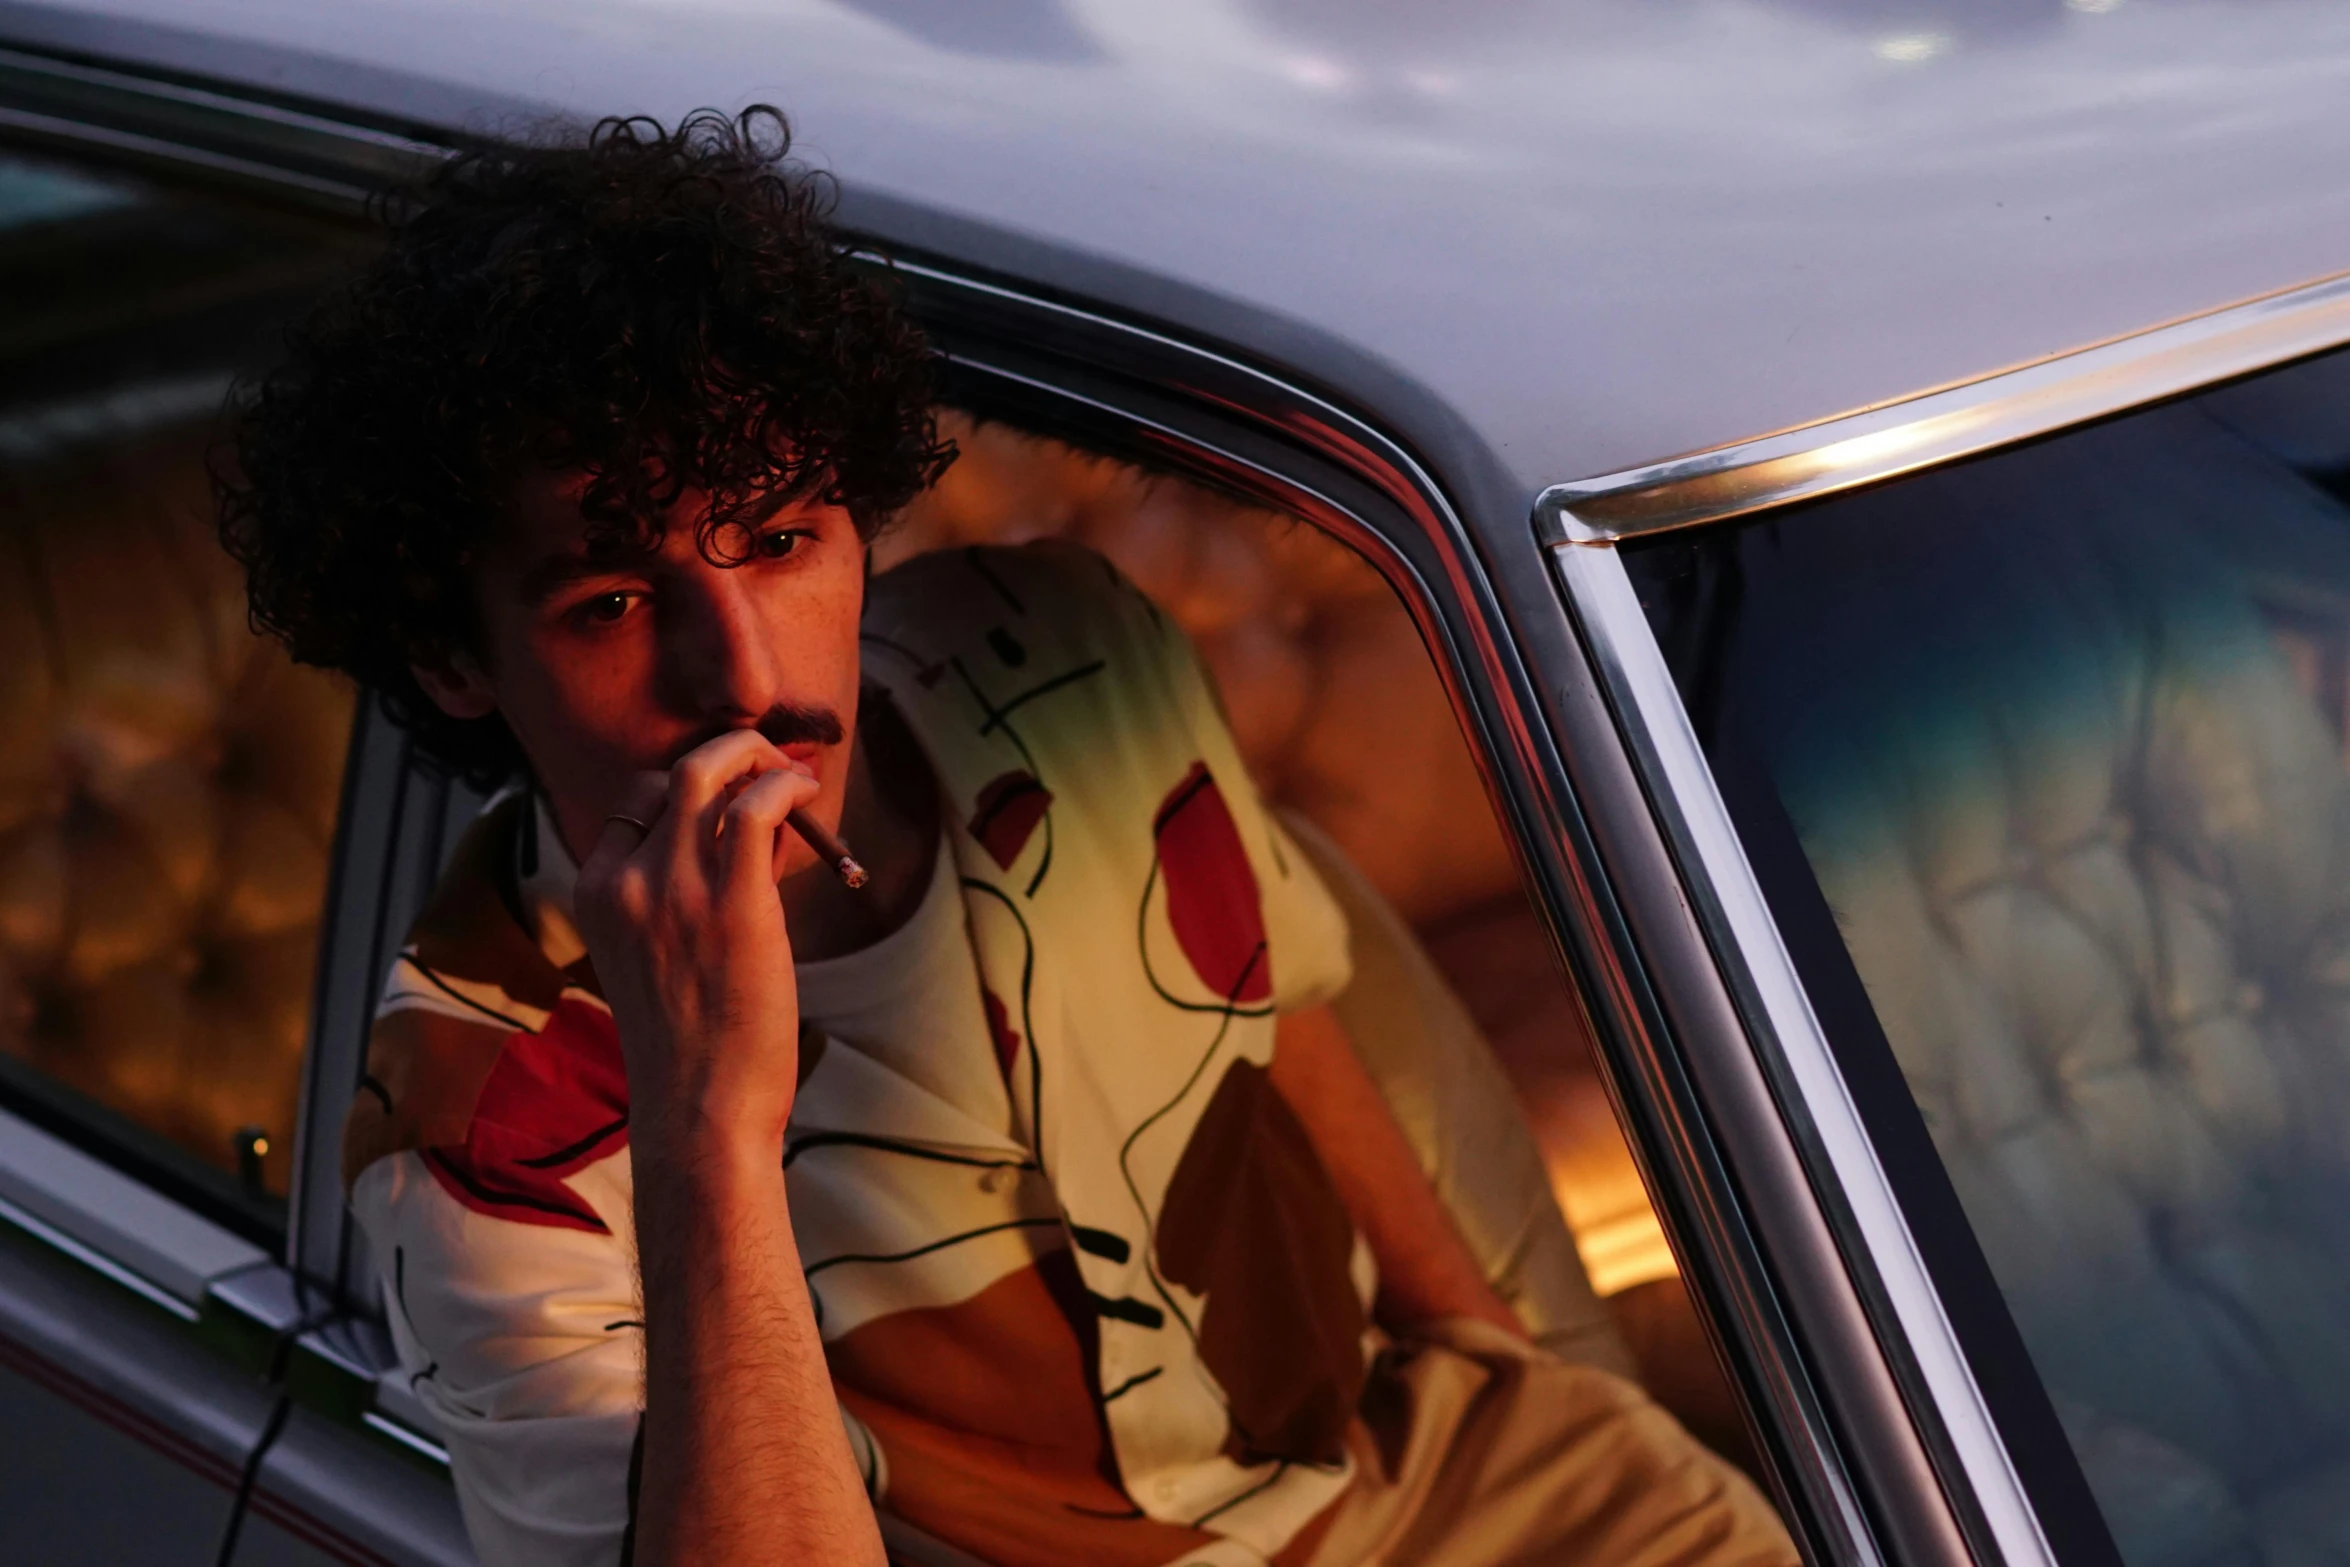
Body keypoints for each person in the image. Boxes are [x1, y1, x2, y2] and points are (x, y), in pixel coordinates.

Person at [219, 109, 1796, 1567]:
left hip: (1466, 1474)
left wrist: (1494, 1351)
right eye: (614, 602)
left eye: (779, 542)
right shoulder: (480, 1131)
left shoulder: (1065, 655)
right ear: (450, 655)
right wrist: (706, 1116)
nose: (744, 681)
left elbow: (1282, 1004)